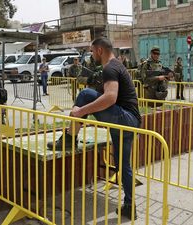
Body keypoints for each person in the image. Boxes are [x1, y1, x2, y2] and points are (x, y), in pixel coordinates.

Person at [47, 37, 141, 220]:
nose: (91, 54)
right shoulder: (117, 65)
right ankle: (130, 206)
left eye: (91, 51)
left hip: (125, 119)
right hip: (132, 121)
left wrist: (80, 111)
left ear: (99, 50)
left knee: (84, 95)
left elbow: (110, 98)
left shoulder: (110, 67)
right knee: (123, 165)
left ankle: (69, 139)